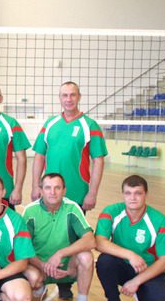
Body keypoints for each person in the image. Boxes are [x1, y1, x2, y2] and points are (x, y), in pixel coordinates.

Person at [94, 175, 165, 301]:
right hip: (121, 266)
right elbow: (99, 242)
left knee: (163, 300)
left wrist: (136, 281)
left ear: (146, 194)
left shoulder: (159, 220)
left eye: (138, 193)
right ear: (123, 194)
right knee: (104, 261)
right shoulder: (111, 212)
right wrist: (130, 255)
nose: (132, 198)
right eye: (128, 193)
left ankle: (144, 298)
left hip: (147, 269)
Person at [22, 173, 97, 301]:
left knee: (86, 256)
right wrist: (43, 265)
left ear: (64, 190)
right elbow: (23, 247)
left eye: (57, 188)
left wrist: (60, 254)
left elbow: (90, 240)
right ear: (41, 190)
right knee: (29, 271)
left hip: (66, 266)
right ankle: (38, 290)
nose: (52, 192)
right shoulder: (30, 211)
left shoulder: (72, 208)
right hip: (40, 265)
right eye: (48, 188)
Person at [31, 81, 108, 211]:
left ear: (79, 97)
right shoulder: (50, 124)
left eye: (73, 95)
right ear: (59, 98)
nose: (68, 99)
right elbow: (39, 156)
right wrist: (35, 186)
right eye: (65, 95)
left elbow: (98, 161)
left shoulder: (90, 125)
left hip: (77, 193)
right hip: (49, 193)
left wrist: (92, 193)